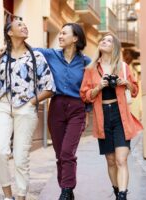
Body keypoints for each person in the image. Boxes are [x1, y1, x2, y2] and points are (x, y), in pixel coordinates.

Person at [0, 17, 55, 200]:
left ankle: (21, 195)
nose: (24, 26)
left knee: (20, 157)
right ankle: (8, 196)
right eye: (19, 25)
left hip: (25, 107)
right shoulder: (0, 57)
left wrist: (31, 102)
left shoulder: (36, 57)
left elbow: (49, 88)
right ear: (10, 32)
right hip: (3, 105)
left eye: (25, 25)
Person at [80, 33, 143, 200]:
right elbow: (85, 95)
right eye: (102, 39)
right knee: (111, 160)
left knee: (121, 159)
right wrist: (98, 87)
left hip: (120, 115)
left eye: (108, 40)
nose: (104, 42)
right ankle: (117, 192)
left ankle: (122, 196)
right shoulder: (91, 69)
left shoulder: (122, 67)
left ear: (114, 47)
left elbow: (135, 90)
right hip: (103, 117)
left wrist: (125, 82)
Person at [34, 23, 91, 200]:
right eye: (59, 33)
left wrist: (87, 111)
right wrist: (8, 47)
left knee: (67, 152)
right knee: (60, 154)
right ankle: (67, 190)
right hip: (56, 106)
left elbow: (90, 87)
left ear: (75, 38)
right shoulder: (51, 55)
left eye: (64, 33)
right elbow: (29, 51)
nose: (59, 36)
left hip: (77, 108)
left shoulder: (86, 62)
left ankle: (66, 190)